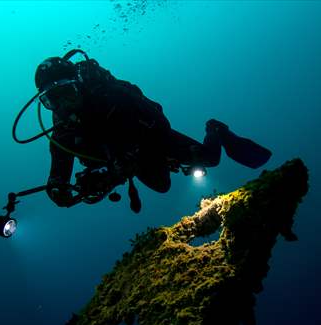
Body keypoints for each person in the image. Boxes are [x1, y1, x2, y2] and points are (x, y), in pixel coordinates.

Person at [32, 50, 272, 213]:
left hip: (154, 142)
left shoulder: (114, 97)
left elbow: (159, 122)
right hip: (126, 163)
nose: (64, 105)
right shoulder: (63, 132)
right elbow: (57, 179)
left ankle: (215, 129)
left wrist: (129, 158)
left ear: (79, 85)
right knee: (161, 186)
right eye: (53, 100)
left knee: (210, 158)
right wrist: (62, 193)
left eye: (68, 93)